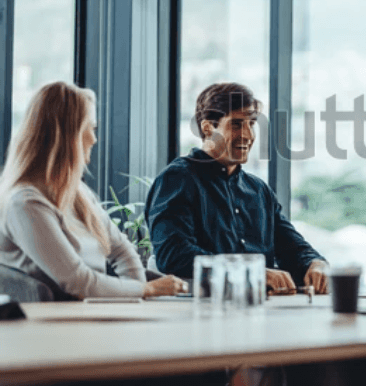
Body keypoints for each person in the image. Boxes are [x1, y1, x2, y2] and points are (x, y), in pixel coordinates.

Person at [0, 82, 186, 299]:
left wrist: (136, 295)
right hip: (51, 324)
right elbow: (77, 281)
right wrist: (146, 289)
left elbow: (120, 249)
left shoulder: (77, 192)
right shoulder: (25, 204)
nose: (94, 139)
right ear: (69, 136)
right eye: (91, 128)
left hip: (87, 313)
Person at [147, 82, 329, 294]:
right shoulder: (177, 179)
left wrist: (315, 263)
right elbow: (174, 255)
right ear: (208, 128)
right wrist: (253, 272)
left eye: (251, 124)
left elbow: (291, 245)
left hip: (264, 312)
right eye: (236, 125)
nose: (248, 135)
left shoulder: (258, 190)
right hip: (202, 313)